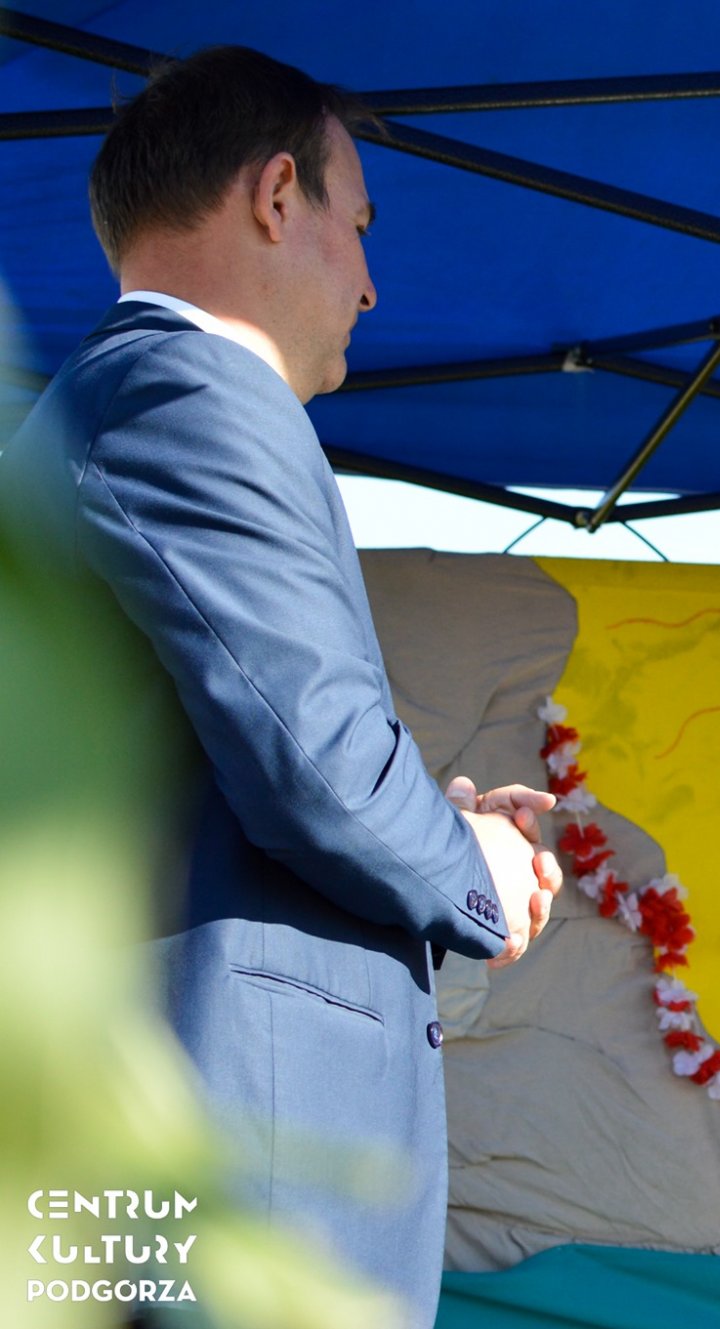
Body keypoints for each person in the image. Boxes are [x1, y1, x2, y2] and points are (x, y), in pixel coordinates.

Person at [1, 46, 563, 1327]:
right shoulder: (189, 390)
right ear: (273, 196)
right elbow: (321, 769)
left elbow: (238, 757)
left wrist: (425, 819)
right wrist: (474, 864)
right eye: (357, 225)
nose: (368, 284)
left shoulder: (104, 405)